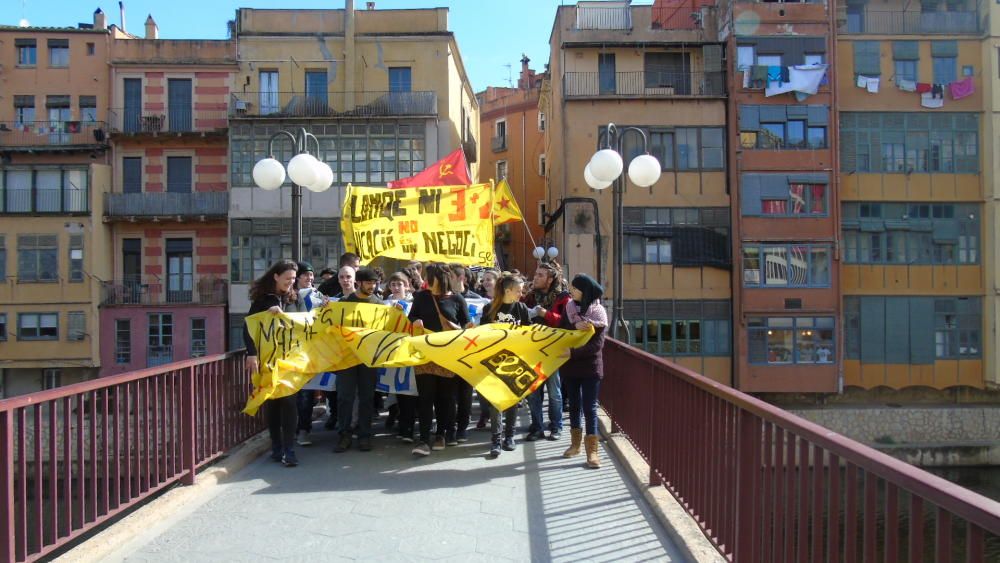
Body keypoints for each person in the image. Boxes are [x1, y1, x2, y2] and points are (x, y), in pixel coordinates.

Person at [407, 263, 471, 456]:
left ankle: (442, 433)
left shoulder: (458, 299)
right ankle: (424, 438)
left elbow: (467, 327)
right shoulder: (422, 297)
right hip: (425, 355)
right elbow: (411, 317)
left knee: (446, 398)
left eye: (430, 277)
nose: (426, 280)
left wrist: (458, 328)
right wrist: (415, 321)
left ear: (439, 279)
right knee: (425, 397)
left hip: (447, 356)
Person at [243, 260, 300, 467]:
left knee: (289, 402)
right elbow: (249, 327)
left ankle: (289, 448)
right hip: (268, 361)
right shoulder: (261, 300)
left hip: (290, 361)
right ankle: (277, 446)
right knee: (274, 403)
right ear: (276, 276)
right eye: (288, 278)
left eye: (293, 279)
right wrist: (251, 354)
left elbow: (306, 322)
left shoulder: (295, 298)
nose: (291, 282)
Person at [480, 274, 531, 458]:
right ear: (508, 290)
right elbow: (481, 336)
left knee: (512, 401)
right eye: (518, 290)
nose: (521, 293)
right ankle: (495, 439)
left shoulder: (522, 308)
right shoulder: (489, 309)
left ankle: (510, 436)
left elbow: (529, 334)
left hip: (516, 362)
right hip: (494, 361)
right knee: (496, 402)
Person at [333, 267, 384, 453]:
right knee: (344, 397)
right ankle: (344, 435)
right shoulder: (345, 302)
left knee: (366, 398)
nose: (372, 286)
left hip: (367, 359)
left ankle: (364, 435)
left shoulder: (379, 304)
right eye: (369, 282)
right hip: (346, 358)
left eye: (374, 282)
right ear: (359, 283)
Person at [560, 273, 607, 469]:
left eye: (575, 288)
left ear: (585, 291)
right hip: (571, 368)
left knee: (589, 408)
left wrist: (571, 352)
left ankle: (592, 452)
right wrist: (573, 325)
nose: (571, 291)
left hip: (590, 367)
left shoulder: (598, 313)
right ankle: (575, 445)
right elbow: (561, 329)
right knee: (574, 406)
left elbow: (596, 345)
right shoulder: (569, 308)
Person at [522, 261, 569, 441]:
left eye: (540, 275)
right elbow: (520, 314)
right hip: (533, 350)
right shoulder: (530, 296)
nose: (535, 277)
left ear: (550, 280)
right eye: (535, 274)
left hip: (554, 351)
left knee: (554, 393)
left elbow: (566, 323)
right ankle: (537, 427)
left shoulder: (563, 297)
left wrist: (545, 314)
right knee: (533, 393)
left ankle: (556, 426)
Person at [288, 261, 328, 447]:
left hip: (313, 351)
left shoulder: (318, 296)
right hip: (294, 351)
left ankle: (303, 429)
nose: (309, 278)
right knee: (297, 393)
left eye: (311, 275)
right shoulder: (290, 297)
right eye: (305, 275)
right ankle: (294, 429)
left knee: (307, 393)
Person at [447, 263, 481, 444]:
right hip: (451, 353)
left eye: (450, 276)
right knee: (450, 393)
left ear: (461, 278)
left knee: (465, 393)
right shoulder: (445, 297)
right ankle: (450, 427)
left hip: (469, 353)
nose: (447, 280)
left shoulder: (476, 298)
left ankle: (462, 428)